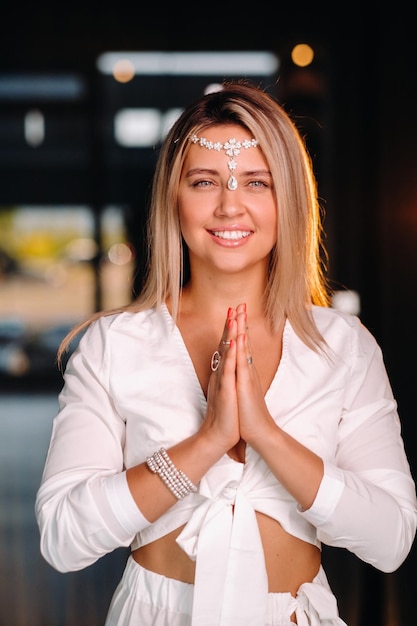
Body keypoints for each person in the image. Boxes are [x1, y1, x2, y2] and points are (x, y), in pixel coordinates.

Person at [35, 81, 417, 626]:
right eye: (204, 181)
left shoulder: (344, 347)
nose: (230, 204)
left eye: (256, 182)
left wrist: (265, 433)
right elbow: (63, 539)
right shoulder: (114, 345)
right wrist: (208, 441)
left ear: (288, 199)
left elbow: (391, 538)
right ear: (174, 198)